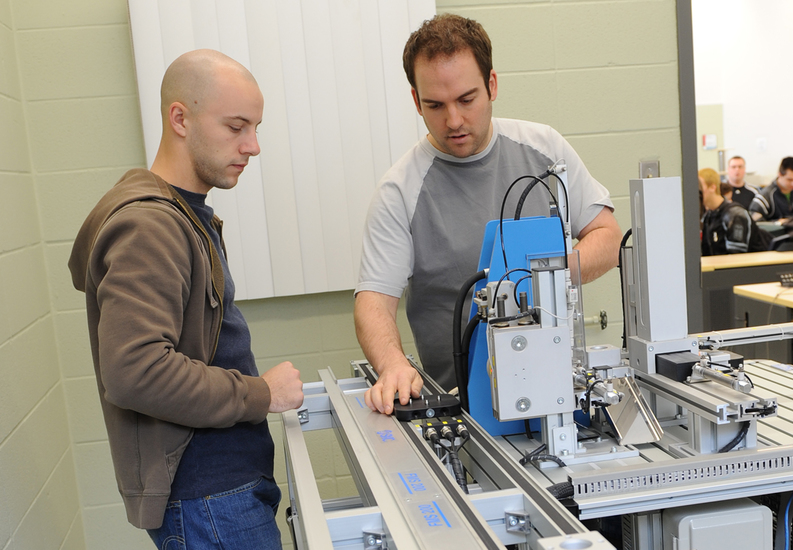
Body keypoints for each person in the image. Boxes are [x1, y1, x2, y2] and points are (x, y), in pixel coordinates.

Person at [67, 50, 304, 548]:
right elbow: (136, 370)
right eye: (236, 126)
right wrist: (262, 393)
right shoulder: (150, 226)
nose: (253, 145)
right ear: (180, 118)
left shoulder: (184, 214)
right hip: (209, 501)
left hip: (221, 494)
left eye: (255, 127)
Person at [354, 14, 622, 415]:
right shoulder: (401, 190)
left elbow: (608, 235)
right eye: (435, 105)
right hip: (462, 406)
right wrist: (392, 364)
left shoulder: (545, 150)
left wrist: (546, 274)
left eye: (466, 99)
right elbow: (373, 301)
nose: (454, 121)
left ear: (492, 85)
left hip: (562, 395)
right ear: (415, 101)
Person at [699, 168, 771, 255]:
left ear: (712, 187)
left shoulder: (735, 215)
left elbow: (736, 258)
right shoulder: (709, 215)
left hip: (750, 265)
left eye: (699, 187)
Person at [750, 156, 793, 222]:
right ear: (779, 175)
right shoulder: (766, 196)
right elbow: (755, 221)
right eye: (790, 180)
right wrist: (777, 223)